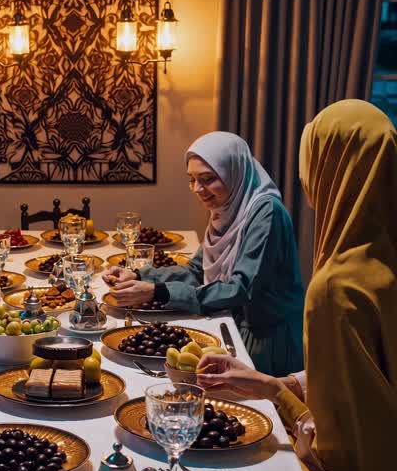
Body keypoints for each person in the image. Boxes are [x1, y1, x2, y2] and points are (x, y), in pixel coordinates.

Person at [197, 100, 397, 471]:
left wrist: (278, 401)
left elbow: (345, 448)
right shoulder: (384, 263)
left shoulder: (338, 290)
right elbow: (357, 388)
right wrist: (266, 381)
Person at [103, 132, 304, 374]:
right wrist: (139, 276)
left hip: (265, 340)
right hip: (234, 324)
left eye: (208, 179)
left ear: (234, 172)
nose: (198, 189)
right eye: (192, 179)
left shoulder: (266, 213)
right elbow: (197, 270)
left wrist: (158, 291)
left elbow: (239, 290)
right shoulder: (229, 206)